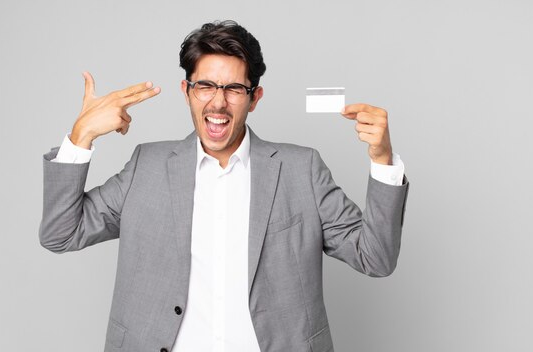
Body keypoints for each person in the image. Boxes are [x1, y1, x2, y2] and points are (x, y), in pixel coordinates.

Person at [39, 20, 409, 352]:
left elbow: (375, 258)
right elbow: (61, 233)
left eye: (233, 88)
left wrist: (382, 160)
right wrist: (81, 136)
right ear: (187, 90)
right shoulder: (146, 167)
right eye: (205, 86)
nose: (218, 101)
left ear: (254, 98)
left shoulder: (301, 170)